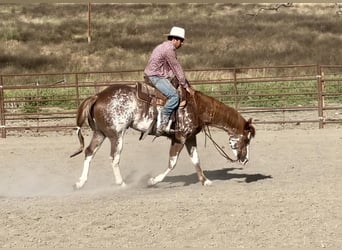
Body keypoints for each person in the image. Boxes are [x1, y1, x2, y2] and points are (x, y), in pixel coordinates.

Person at [144, 26, 195, 136]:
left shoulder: (162, 46)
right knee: (174, 96)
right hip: (155, 76)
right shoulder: (169, 50)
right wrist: (185, 85)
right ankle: (163, 122)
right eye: (181, 41)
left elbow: (168, 67)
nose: (182, 44)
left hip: (155, 73)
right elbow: (176, 67)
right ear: (175, 40)